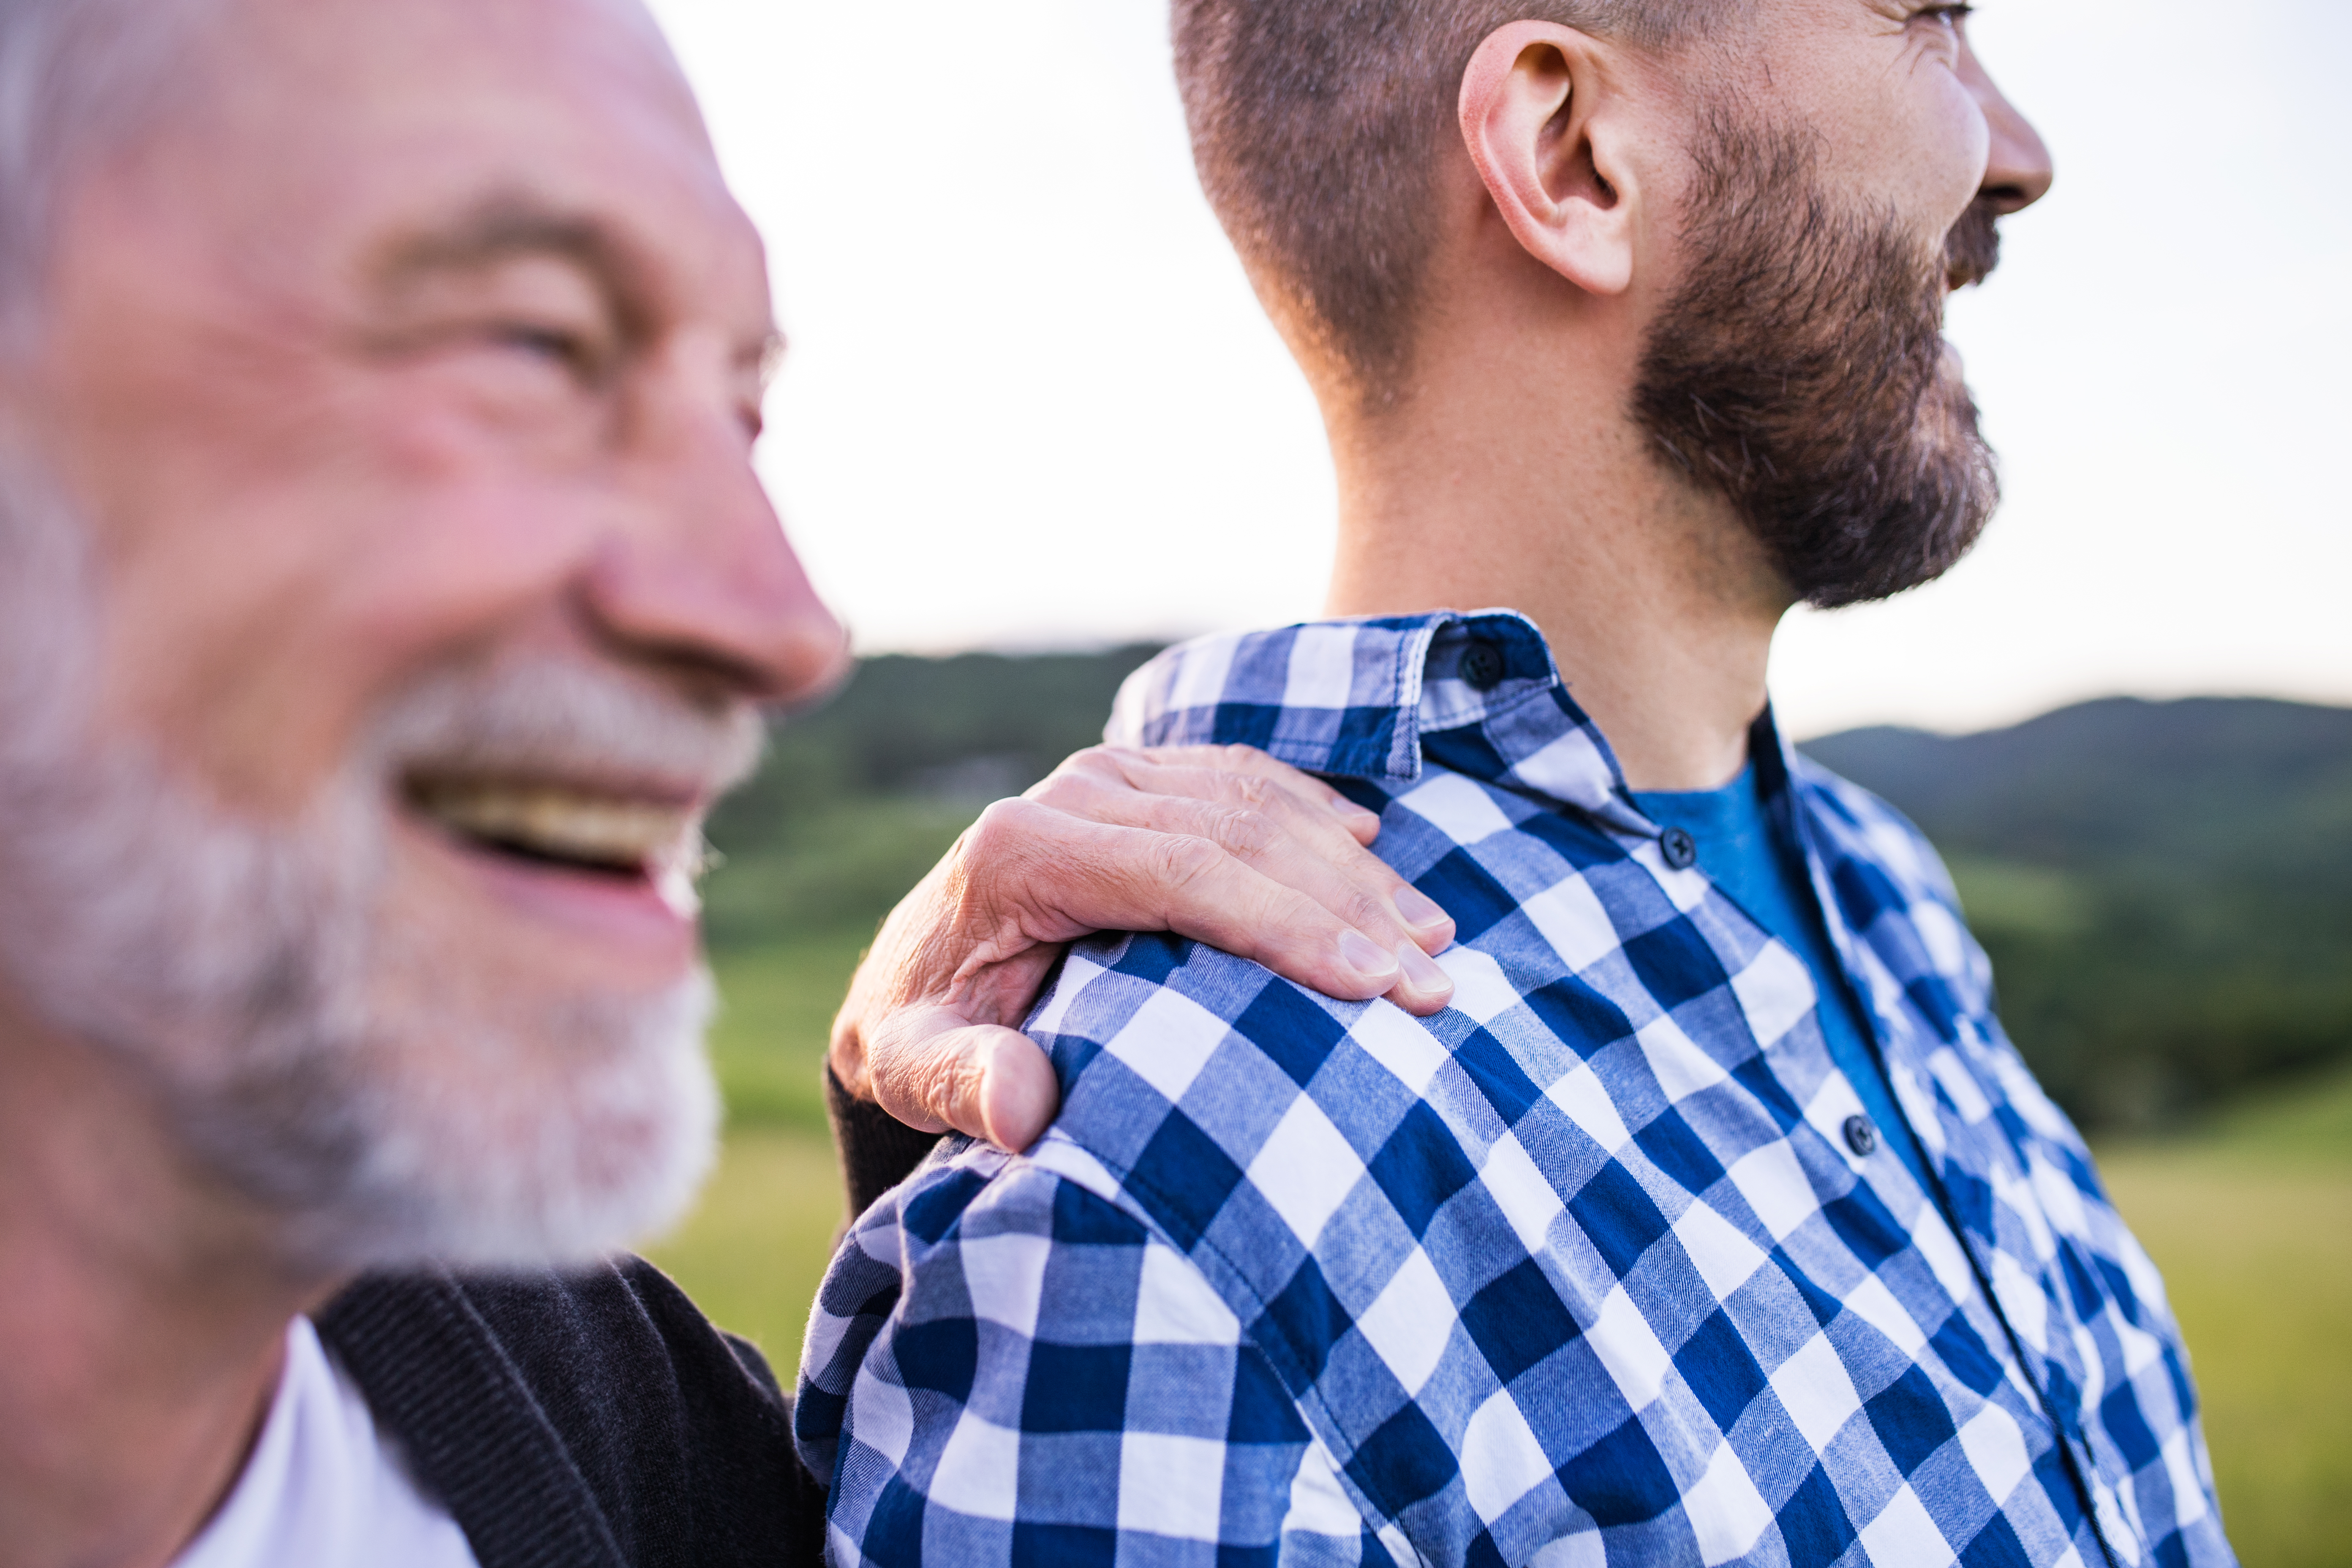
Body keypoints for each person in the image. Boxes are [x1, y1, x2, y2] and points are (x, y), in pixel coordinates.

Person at [0, 0, 1467, 1565]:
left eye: (740, 412)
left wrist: (935, 1102)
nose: (783, 626)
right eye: (535, 344)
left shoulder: (584, 1406)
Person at [799, 3, 2235, 1565]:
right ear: (1572, 157)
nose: (2018, 158)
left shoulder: (1886, 895)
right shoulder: (1174, 1171)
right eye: (1931, 23)